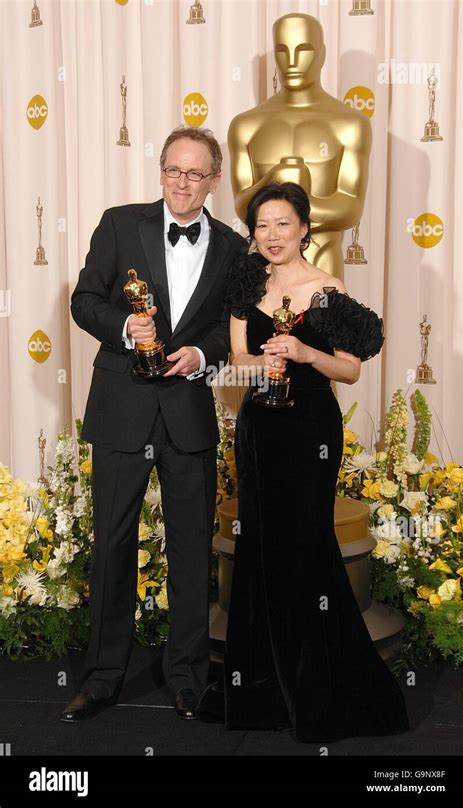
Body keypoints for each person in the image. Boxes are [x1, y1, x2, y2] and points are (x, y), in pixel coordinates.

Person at [195, 182, 410, 743]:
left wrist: (303, 352)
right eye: (262, 225)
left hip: (311, 430)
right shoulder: (246, 284)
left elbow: (350, 370)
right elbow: (234, 366)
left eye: (282, 224)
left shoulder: (327, 289)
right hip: (260, 429)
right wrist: (259, 365)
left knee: (305, 544)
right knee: (260, 545)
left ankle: (317, 688)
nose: (271, 236)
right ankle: (259, 690)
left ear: (305, 229)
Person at [61, 126, 247, 723]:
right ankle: (103, 676)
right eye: (174, 171)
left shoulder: (235, 247)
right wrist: (123, 328)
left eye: (196, 174)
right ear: (160, 170)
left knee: (191, 552)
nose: (183, 184)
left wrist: (203, 355)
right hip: (122, 409)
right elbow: (84, 299)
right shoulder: (119, 223)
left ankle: (187, 678)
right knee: (112, 546)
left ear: (214, 180)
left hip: (188, 414)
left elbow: (230, 327)